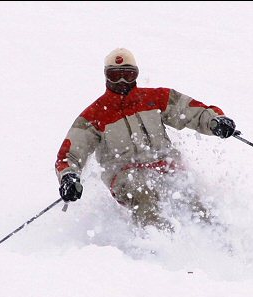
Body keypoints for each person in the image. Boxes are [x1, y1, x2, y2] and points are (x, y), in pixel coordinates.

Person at [55, 48, 236, 230]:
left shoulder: (155, 98)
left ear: (136, 75)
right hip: (125, 175)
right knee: (144, 194)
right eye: (115, 75)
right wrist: (68, 177)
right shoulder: (94, 115)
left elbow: (190, 111)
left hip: (165, 165)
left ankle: (219, 238)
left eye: (128, 74)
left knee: (191, 199)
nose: (122, 81)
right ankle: (158, 244)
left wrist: (215, 121)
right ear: (106, 76)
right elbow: (69, 155)